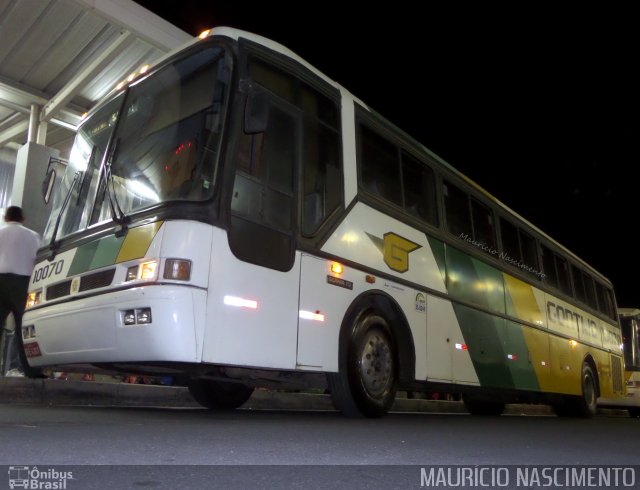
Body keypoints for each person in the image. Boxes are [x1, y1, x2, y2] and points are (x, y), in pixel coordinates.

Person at [0, 206, 41, 377]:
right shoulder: (33, 236)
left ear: (5, 218)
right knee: (23, 329)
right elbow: (38, 259)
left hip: (0, 280)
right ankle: (29, 370)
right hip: (22, 284)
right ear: (22, 218)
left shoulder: (0, 232)